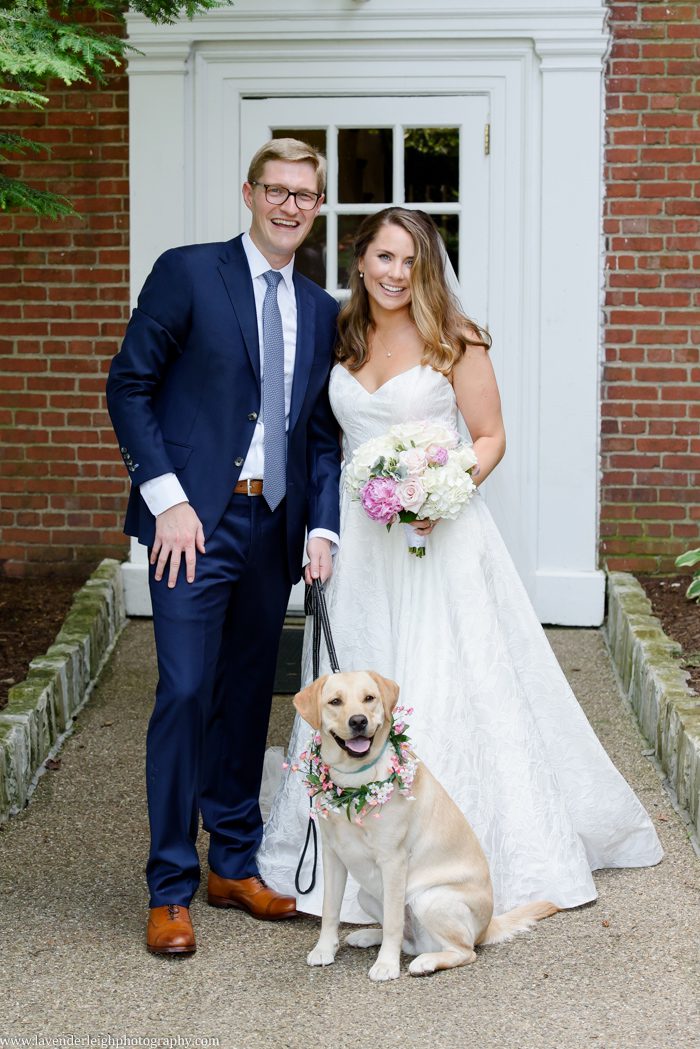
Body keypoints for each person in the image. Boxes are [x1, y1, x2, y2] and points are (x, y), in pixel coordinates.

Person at [258, 207, 663, 919]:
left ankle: (447, 853)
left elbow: (490, 436)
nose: (396, 273)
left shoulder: (457, 338)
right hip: (361, 542)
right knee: (361, 674)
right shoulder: (342, 332)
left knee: (448, 678)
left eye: (411, 261)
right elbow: (322, 437)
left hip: (437, 539)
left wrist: (441, 491)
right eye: (384, 257)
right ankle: (352, 846)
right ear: (361, 260)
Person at [106, 138, 341, 954]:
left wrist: (320, 524)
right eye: (275, 190)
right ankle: (170, 884)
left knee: (246, 695)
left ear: (318, 206)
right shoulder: (188, 272)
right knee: (184, 689)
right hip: (191, 527)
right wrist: (166, 499)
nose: (288, 205)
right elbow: (128, 385)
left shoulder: (321, 309)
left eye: (303, 194)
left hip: (272, 526)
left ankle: (233, 863)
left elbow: (319, 432)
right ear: (249, 193)